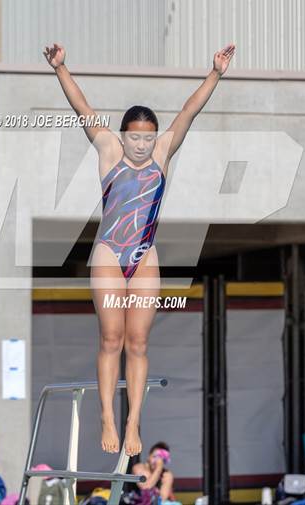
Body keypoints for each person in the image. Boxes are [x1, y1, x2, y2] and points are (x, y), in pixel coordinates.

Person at [43, 42, 235, 456]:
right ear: (125, 135)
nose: (143, 145)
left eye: (149, 138)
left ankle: (133, 424)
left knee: (139, 343)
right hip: (111, 254)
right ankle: (107, 416)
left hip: (144, 256)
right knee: (111, 337)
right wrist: (61, 68)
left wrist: (215, 74)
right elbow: (82, 107)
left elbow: (188, 112)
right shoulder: (108, 148)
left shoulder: (163, 152)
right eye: (136, 137)